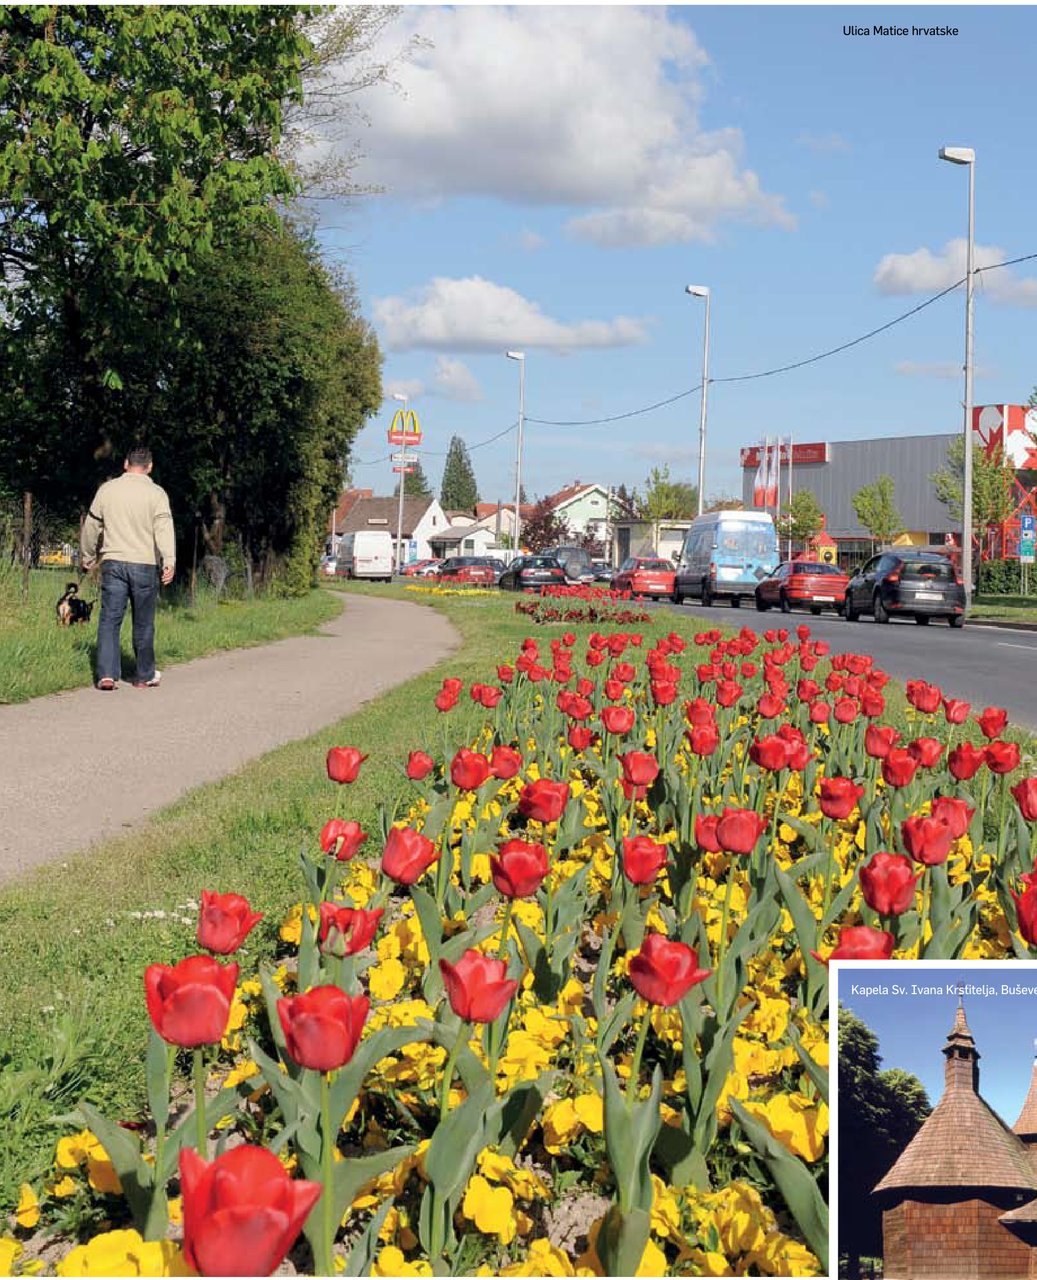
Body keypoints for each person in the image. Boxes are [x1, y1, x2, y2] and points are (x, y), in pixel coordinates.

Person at [80, 446, 175, 690]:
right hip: (144, 563)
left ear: (125, 463)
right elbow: (163, 529)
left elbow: (91, 526)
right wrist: (169, 560)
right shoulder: (157, 494)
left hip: (113, 562)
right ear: (150, 466)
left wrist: (88, 555)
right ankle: (144, 676)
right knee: (143, 622)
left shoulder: (108, 490)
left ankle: (107, 675)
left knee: (110, 620)